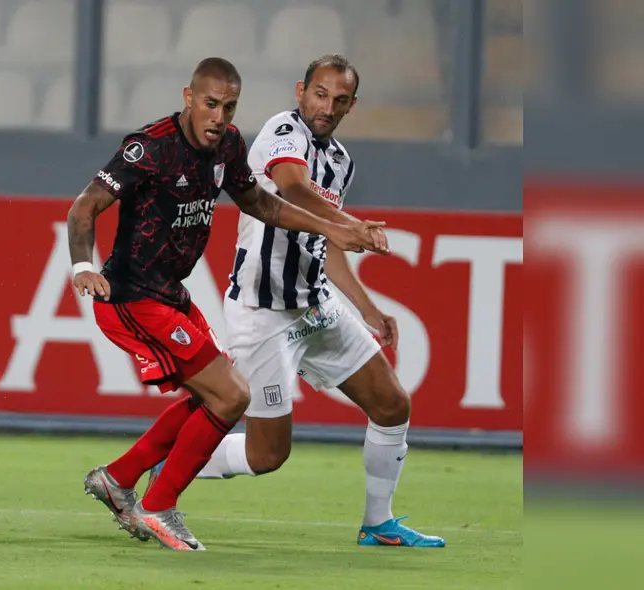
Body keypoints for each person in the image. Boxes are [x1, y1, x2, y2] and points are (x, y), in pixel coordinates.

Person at [68, 57, 389, 551]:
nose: (219, 116)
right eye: (211, 104)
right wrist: (82, 267)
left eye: (229, 106)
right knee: (232, 396)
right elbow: (84, 206)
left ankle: (118, 477)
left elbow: (263, 204)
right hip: (131, 295)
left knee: (210, 399)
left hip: (172, 295)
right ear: (189, 98)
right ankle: (158, 505)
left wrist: (334, 229)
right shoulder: (149, 147)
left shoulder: (230, 146)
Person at [149, 55, 445, 548]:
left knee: (392, 404)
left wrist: (368, 309)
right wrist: (349, 225)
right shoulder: (281, 131)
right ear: (300, 91)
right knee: (268, 456)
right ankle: (173, 464)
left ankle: (378, 523)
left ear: (352, 105)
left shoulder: (342, 162)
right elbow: (290, 187)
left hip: (316, 307)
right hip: (262, 314)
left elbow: (322, 245)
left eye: (339, 99)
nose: (326, 107)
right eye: (320, 94)